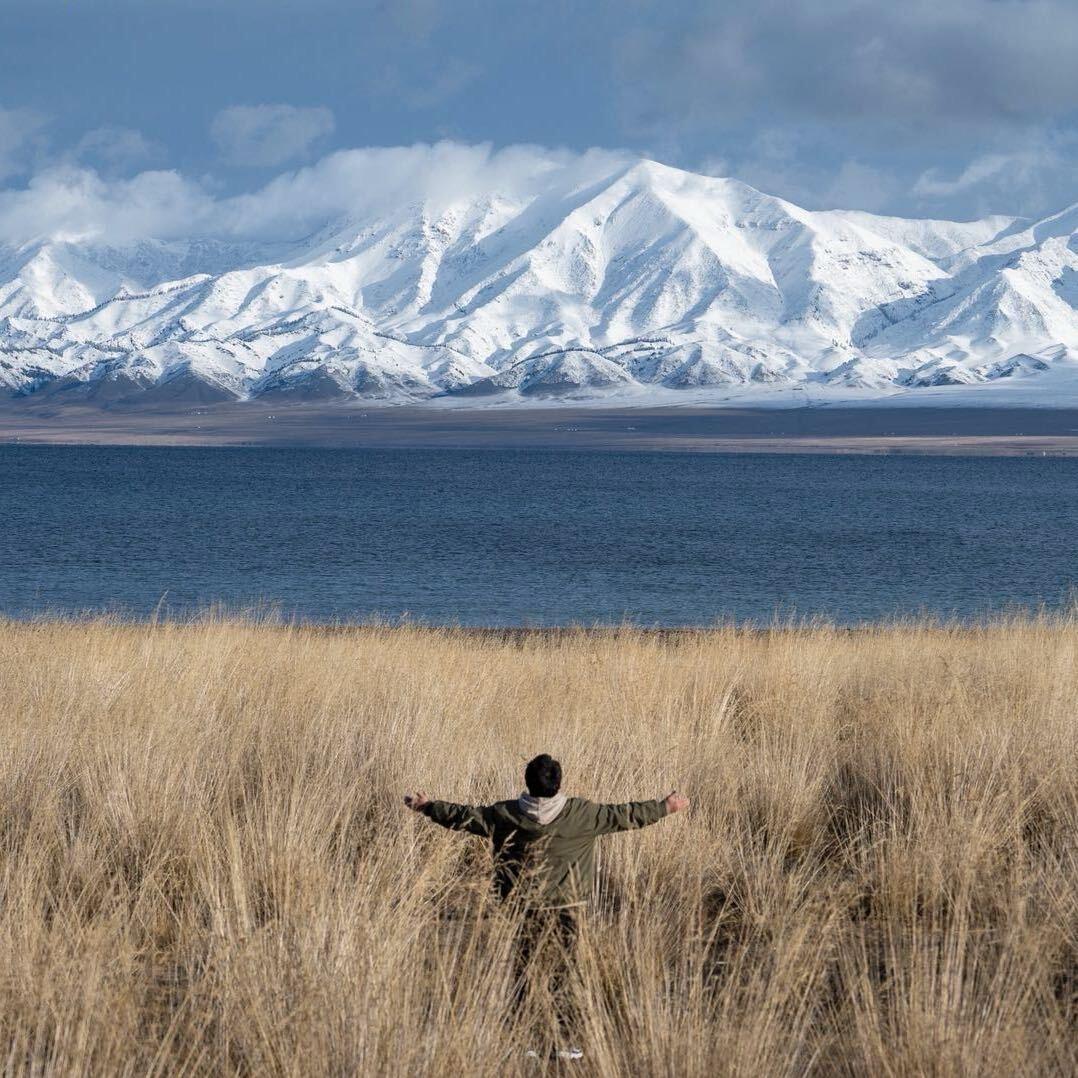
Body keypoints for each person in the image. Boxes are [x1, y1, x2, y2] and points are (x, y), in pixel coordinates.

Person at [404, 753, 689, 1060]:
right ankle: (563, 1042)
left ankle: (525, 1041)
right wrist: (665, 807)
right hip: (568, 909)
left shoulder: (505, 814)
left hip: (521, 908)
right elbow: (627, 815)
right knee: (564, 973)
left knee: (523, 973)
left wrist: (428, 807)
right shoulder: (582, 814)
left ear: (527, 782)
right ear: (559, 783)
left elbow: (464, 816)